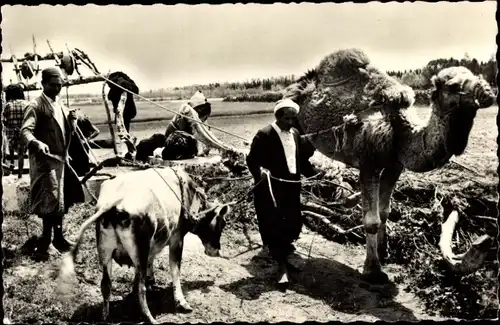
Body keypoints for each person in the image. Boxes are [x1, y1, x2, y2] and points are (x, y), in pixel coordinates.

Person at [246, 98, 320, 288]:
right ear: (278, 117)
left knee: (292, 219)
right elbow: (252, 159)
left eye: (293, 119)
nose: (291, 123)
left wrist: (315, 174)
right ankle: (281, 266)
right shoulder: (264, 134)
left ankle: (286, 249)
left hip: (292, 185)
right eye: (287, 119)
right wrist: (260, 172)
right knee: (274, 221)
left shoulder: (295, 134)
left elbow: (301, 161)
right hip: (271, 188)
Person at [20, 67, 85, 260]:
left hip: (61, 160)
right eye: (53, 85)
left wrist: (72, 122)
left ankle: (57, 238)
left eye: (60, 85)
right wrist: (37, 142)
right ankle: (45, 242)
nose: (57, 89)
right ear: (43, 84)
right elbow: (25, 131)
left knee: (59, 201)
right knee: (49, 201)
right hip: (45, 162)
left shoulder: (59, 105)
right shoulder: (36, 105)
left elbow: (63, 132)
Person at [160, 90, 212, 160]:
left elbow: (205, 131)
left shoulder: (202, 115)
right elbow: (186, 133)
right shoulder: (185, 113)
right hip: (175, 136)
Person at [2, 83, 29, 177]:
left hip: (12, 134)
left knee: (11, 146)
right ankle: (20, 174)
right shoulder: (26, 104)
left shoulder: (8, 105)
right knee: (21, 153)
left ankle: (12, 162)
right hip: (23, 133)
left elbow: (4, 119)